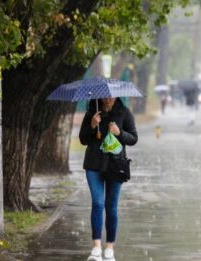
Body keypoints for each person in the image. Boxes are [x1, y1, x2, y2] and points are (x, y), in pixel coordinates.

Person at [79, 97, 138, 261]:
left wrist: (119, 133)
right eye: (106, 96)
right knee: (97, 203)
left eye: (112, 96)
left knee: (111, 206)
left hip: (115, 166)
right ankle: (96, 248)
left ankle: (109, 248)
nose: (108, 99)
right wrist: (91, 125)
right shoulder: (92, 112)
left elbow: (133, 138)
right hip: (94, 164)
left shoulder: (124, 113)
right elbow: (83, 139)